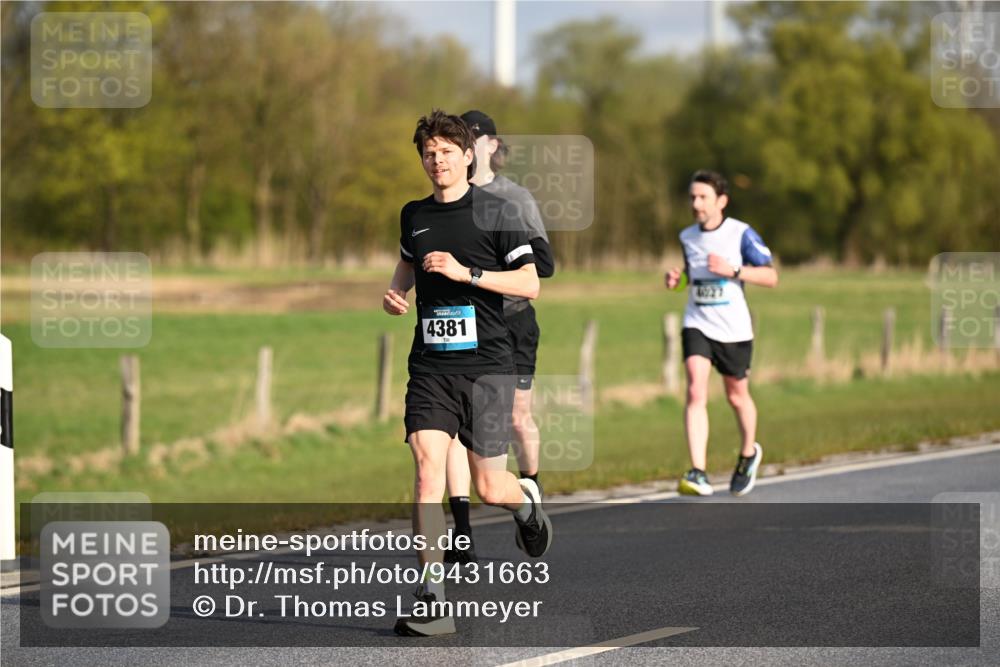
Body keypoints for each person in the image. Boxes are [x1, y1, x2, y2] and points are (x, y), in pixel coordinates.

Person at [383, 109, 552, 637]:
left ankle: (523, 501)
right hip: (431, 366)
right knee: (427, 470)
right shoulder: (413, 214)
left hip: (488, 368)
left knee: (487, 485)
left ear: (467, 156)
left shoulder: (498, 211)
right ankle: (431, 594)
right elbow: (408, 261)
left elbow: (530, 284)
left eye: (446, 152)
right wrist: (397, 292)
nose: (437, 161)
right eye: (428, 154)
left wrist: (468, 274)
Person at [441, 110, 556, 565]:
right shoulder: (446, 197)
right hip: (462, 329)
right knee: (450, 431)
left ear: (489, 145)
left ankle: (531, 490)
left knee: (514, 417)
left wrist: (481, 269)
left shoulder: (514, 199)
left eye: (472, 138)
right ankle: (462, 531)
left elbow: (541, 267)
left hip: (512, 322)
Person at [665, 170, 778, 497]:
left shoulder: (741, 234)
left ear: (722, 202)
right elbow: (694, 275)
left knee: (736, 395)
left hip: (734, 328)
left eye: (703, 197)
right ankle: (698, 471)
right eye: (692, 197)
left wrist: (735, 270)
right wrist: (678, 280)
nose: (696, 203)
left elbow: (772, 276)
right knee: (695, 391)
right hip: (697, 321)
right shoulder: (687, 236)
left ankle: (747, 454)